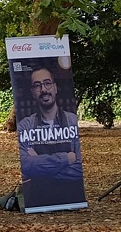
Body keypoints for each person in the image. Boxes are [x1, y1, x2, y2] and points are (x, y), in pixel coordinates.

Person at [15, 64, 84, 206]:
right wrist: (66, 158)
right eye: (37, 85)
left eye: (47, 83)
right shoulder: (25, 126)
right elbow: (27, 166)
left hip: (72, 199)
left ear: (55, 87)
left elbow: (78, 168)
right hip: (38, 201)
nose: (43, 90)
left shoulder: (72, 122)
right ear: (33, 92)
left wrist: (40, 165)